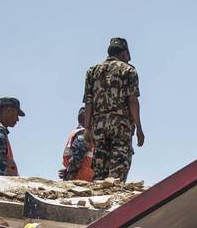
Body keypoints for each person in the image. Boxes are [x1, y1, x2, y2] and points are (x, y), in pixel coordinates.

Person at [83, 37, 144, 180]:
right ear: (124, 53)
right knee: (117, 173)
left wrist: (87, 128)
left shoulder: (92, 71)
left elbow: (88, 102)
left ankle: (99, 199)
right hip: (121, 127)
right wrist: (139, 128)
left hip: (99, 127)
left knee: (99, 172)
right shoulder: (129, 70)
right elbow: (132, 100)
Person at [59, 107, 94, 181]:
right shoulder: (84, 133)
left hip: (78, 175)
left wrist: (68, 171)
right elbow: (77, 155)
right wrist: (69, 174)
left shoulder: (76, 132)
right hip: (81, 177)